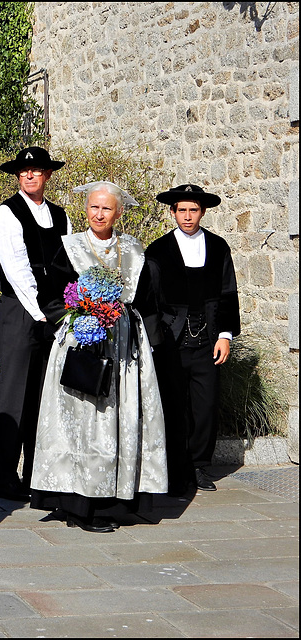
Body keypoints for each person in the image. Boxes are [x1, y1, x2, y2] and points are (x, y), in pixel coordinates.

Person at [29, 181, 168, 533]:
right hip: (81, 343)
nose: (99, 214)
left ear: (118, 212)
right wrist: (81, 312)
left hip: (123, 347)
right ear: (85, 210)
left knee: (116, 420)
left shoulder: (134, 250)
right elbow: (51, 296)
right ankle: (77, 504)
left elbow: (148, 301)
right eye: (93, 207)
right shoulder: (71, 247)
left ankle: (111, 500)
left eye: (106, 208)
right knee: (81, 421)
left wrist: (147, 340)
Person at [144, 184, 241, 495]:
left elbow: (228, 293)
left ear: (203, 212)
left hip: (208, 339)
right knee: (172, 406)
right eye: (182, 210)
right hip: (170, 341)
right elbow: (149, 300)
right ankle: (174, 470)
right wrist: (155, 338)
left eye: (193, 210)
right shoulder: (158, 250)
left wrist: (225, 335)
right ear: (173, 212)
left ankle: (199, 465)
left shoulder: (218, 247)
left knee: (205, 406)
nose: (187, 216)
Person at [0, 146, 71, 502]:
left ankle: (38, 475)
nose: (29, 176)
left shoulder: (60, 215)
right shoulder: (5, 215)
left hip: (53, 312)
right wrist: (41, 312)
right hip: (21, 312)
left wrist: (68, 309)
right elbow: (18, 271)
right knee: (14, 394)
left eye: (36, 170)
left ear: (47, 175)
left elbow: (68, 263)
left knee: (44, 395)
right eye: (23, 172)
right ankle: (4, 478)